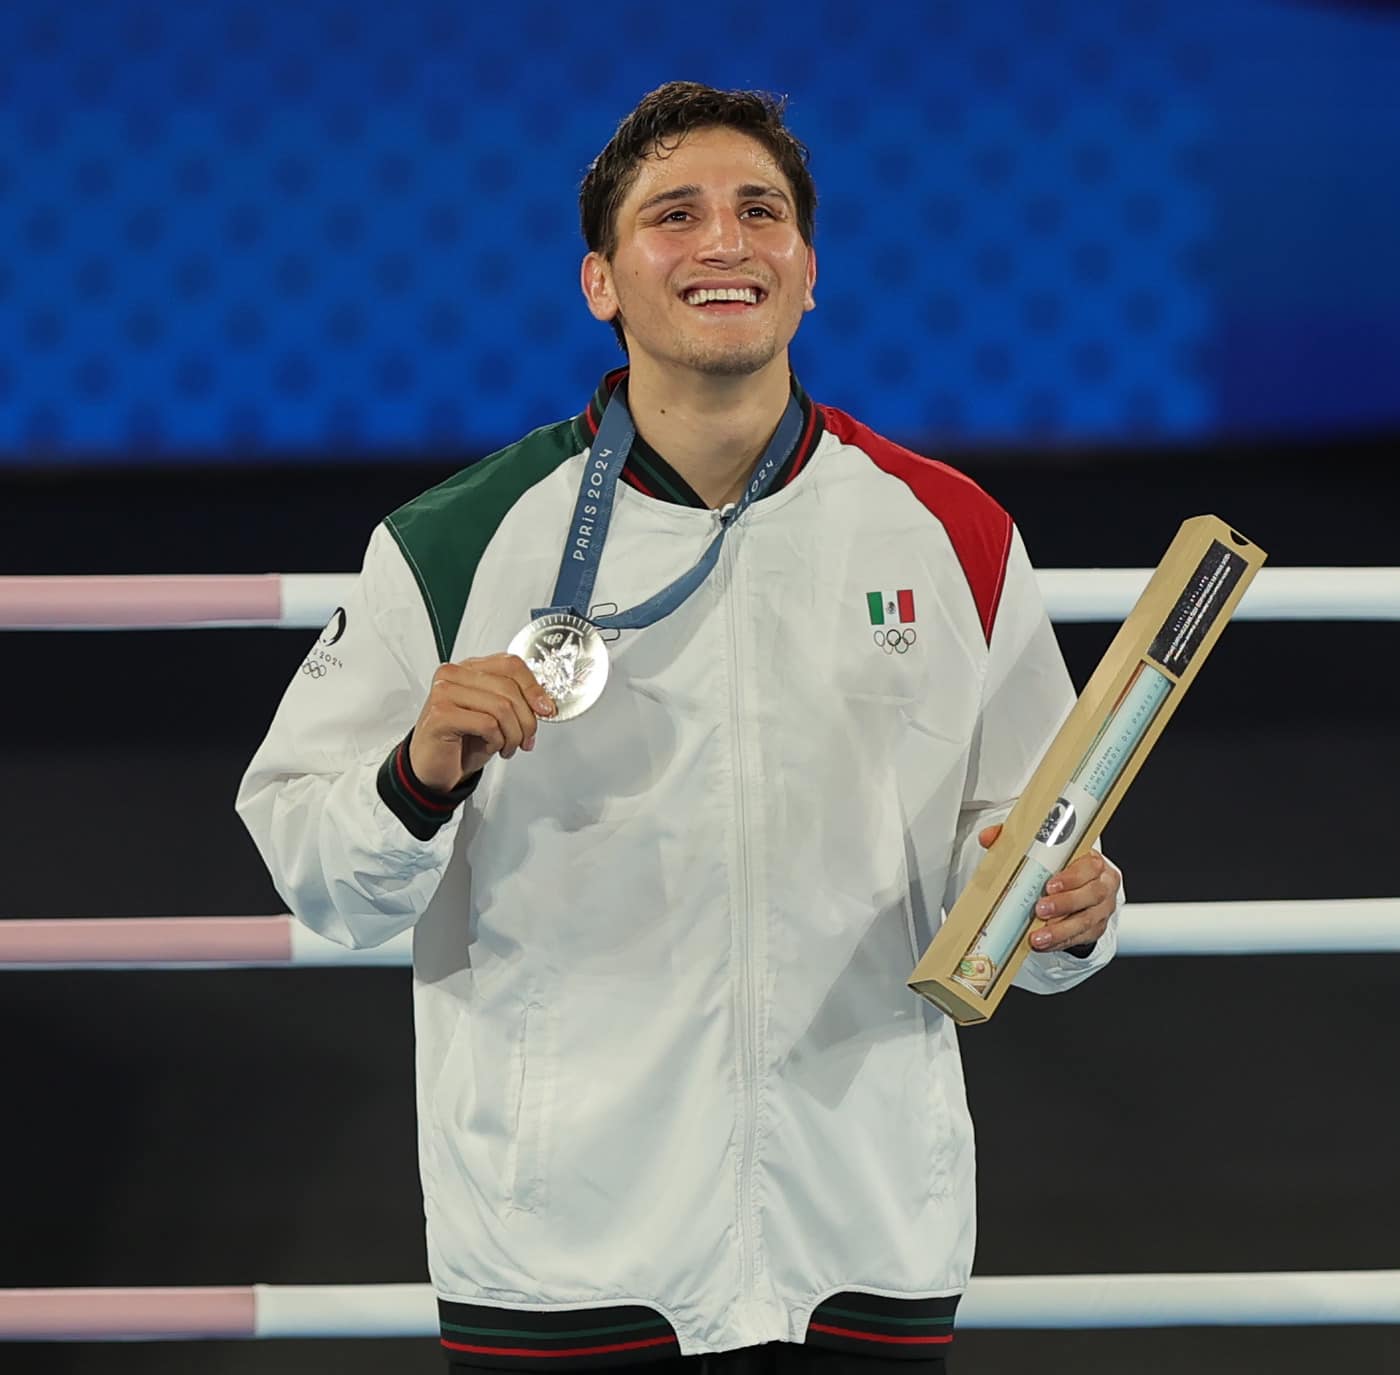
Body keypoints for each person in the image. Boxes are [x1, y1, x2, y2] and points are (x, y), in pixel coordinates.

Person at [237, 81, 1121, 1375]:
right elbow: (318, 873)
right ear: (601, 279)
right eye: (676, 215)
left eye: (760, 211)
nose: (724, 241)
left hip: (865, 1236)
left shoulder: (954, 533)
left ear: (808, 271)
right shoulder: (456, 542)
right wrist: (413, 774)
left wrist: (1068, 918)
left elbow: (1027, 855)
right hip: (564, 1253)